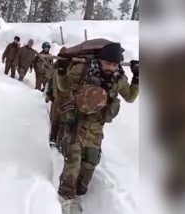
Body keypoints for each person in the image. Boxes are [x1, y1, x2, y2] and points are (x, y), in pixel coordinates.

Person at [56, 42, 139, 214]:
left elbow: (130, 97)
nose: (111, 67)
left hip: (96, 127)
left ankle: (80, 192)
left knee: (89, 164)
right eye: (108, 63)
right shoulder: (83, 70)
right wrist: (62, 69)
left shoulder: (118, 78)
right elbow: (63, 86)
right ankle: (67, 198)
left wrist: (137, 77)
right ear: (100, 60)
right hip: (77, 121)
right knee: (74, 160)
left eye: (115, 64)